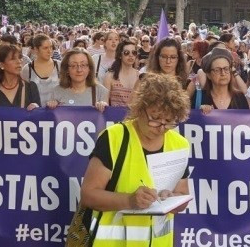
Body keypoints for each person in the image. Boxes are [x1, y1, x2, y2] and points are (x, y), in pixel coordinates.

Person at [80, 73, 190, 247]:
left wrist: (172, 199)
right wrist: (129, 201)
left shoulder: (179, 144)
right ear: (140, 109)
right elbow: (88, 195)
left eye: (169, 121)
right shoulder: (114, 137)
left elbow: (183, 195)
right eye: (155, 118)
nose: (161, 128)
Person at [196, 49, 249, 114]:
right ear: (209, 75)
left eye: (226, 69)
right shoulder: (199, 97)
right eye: (217, 70)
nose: (223, 73)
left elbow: (248, 121)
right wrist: (198, 113)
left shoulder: (240, 97)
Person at [21, 34, 60, 102]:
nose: (49, 51)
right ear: (36, 49)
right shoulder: (27, 69)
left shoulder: (60, 66)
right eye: (45, 48)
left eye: (51, 47)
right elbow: (24, 94)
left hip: (57, 111)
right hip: (36, 111)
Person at [103, 40, 140, 107]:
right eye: (126, 53)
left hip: (135, 116)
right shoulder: (110, 76)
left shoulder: (140, 76)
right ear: (120, 55)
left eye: (134, 53)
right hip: (115, 116)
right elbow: (105, 102)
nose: (131, 55)